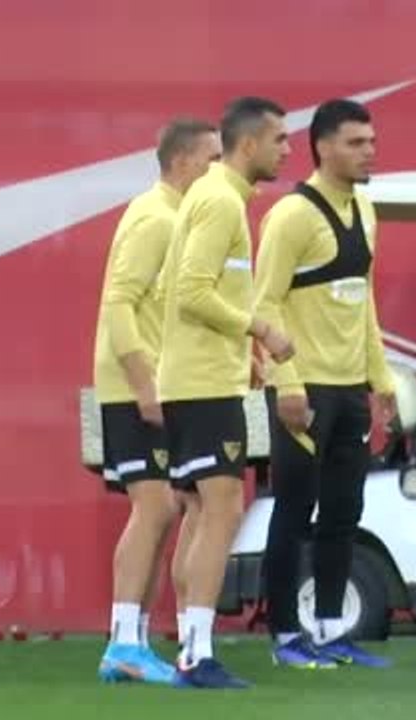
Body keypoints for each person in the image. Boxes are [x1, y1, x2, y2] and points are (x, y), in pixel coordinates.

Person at [252, 99, 398, 670]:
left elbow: (364, 307)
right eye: (357, 143)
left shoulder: (366, 209)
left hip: (348, 390)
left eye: (371, 141)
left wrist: (380, 381)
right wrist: (285, 384)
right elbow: (261, 304)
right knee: (293, 511)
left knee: (344, 513)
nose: (370, 151)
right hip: (303, 389)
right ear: (323, 147)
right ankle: (286, 637)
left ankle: (332, 630)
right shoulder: (291, 216)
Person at [157, 96, 295, 689]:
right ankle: (194, 653)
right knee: (221, 511)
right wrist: (259, 327)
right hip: (201, 386)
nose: (287, 150)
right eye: (281, 140)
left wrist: (245, 354)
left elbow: (182, 287)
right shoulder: (219, 202)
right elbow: (189, 291)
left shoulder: (214, 199)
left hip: (202, 379)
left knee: (203, 514)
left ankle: (191, 647)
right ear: (249, 145)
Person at [93, 118, 221, 684]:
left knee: (172, 508)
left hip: (157, 383)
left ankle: (134, 639)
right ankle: (123, 641)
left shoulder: (179, 219)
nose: (219, 170)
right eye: (213, 159)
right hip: (132, 386)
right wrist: (144, 384)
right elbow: (118, 305)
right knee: (156, 508)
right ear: (184, 162)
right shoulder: (155, 218)